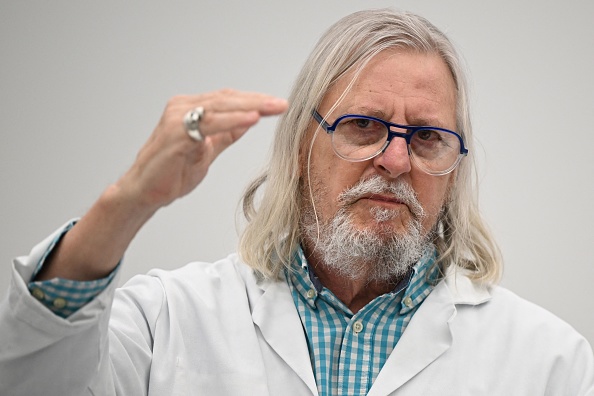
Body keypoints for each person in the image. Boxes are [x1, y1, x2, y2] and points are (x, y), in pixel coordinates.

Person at [0, 8, 592, 396]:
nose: (395, 161)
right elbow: (34, 377)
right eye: (363, 126)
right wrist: (129, 202)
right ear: (299, 146)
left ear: (454, 171)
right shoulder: (166, 323)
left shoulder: (551, 364)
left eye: (428, 137)